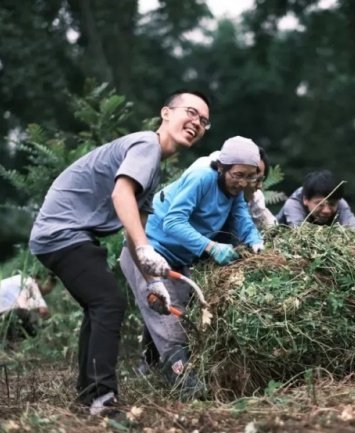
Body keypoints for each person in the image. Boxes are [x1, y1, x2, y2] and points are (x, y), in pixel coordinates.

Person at [29, 90, 211, 415]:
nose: (197, 122)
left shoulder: (152, 168)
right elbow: (120, 194)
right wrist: (144, 246)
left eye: (204, 121)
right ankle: (102, 399)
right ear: (166, 113)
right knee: (108, 302)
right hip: (63, 231)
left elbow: (132, 231)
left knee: (99, 304)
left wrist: (152, 282)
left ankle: (89, 395)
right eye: (191, 112)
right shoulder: (147, 146)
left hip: (68, 234)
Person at [119, 136, 264, 400]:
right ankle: (188, 390)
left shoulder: (234, 190)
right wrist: (212, 247)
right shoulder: (202, 177)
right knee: (173, 325)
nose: (243, 183)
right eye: (238, 175)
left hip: (178, 258)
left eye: (250, 177)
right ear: (222, 167)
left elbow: (241, 216)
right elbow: (173, 222)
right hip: (149, 253)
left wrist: (255, 242)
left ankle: (149, 367)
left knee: (185, 316)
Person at [187, 146, 277, 230]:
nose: (260, 186)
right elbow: (176, 219)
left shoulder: (253, 196)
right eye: (254, 178)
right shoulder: (202, 174)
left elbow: (269, 225)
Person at [276, 170, 355, 227]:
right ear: (305, 200)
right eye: (319, 204)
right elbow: (300, 235)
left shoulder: (340, 203)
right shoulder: (293, 205)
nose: (326, 210)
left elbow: (354, 230)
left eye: (332, 204)